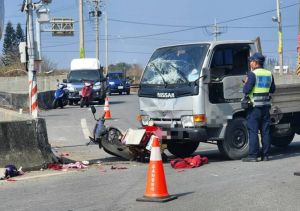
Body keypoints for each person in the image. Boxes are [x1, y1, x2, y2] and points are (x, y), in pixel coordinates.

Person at [242, 52, 276, 162]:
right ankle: (265, 155)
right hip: (266, 107)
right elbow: (272, 90)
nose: (250, 63)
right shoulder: (269, 74)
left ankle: (253, 156)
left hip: (254, 108)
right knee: (265, 131)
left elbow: (246, 90)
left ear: (256, 63)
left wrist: (246, 83)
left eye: (251, 61)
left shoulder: (252, 74)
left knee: (253, 131)